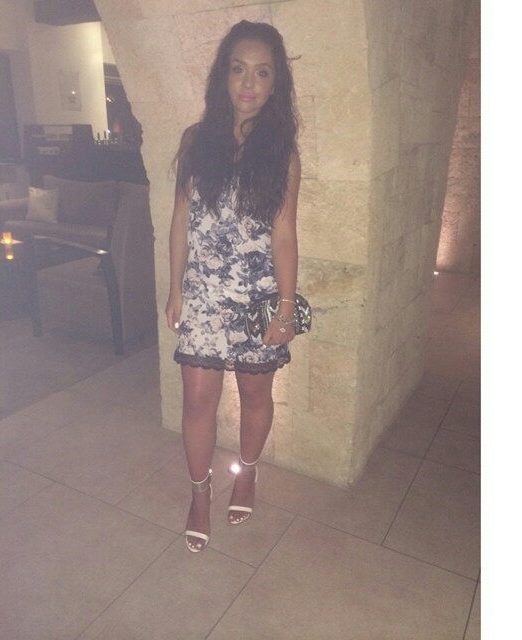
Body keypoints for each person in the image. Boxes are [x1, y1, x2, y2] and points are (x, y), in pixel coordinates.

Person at [165, 20, 301, 553]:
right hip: (202, 293)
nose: (248, 82)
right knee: (197, 401)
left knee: (254, 395)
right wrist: (175, 288)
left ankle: (246, 470)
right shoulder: (195, 142)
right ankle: (200, 493)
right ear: (224, 74)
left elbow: (284, 233)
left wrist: (285, 307)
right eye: (239, 68)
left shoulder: (282, 153)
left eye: (262, 72)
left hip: (257, 296)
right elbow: (181, 220)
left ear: (275, 83)